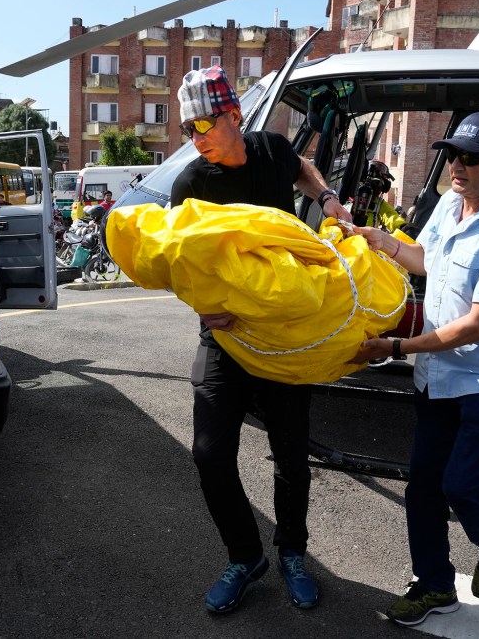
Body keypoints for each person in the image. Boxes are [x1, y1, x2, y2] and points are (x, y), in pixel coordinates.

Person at [349, 112, 479, 627]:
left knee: (463, 486)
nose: (458, 165)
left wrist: (397, 347)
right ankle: (434, 585)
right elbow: (426, 260)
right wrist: (380, 241)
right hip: (439, 374)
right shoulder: (449, 205)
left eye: (473, 157)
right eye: (455, 153)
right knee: (424, 487)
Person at [170, 65, 352, 614]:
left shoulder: (271, 150)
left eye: (202, 124)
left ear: (233, 116)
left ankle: (292, 553)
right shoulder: (191, 183)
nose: (195, 138)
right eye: (186, 130)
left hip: (282, 334)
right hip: (223, 334)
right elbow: (175, 260)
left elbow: (305, 169)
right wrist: (202, 303)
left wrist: (328, 201)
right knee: (209, 453)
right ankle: (245, 556)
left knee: (291, 456)